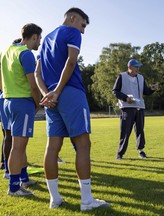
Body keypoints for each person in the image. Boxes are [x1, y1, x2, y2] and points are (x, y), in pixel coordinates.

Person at [35, 7, 110, 210]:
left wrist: (46, 94)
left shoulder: (47, 38)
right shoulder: (71, 32)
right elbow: (71, 61)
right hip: (69, 93)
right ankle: (86, 201)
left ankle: (55, 199)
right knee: (83, 145)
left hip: (50, 98)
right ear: (73, 17)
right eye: (83, 25)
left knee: (52, 148)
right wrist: (58, 91)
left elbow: (37, 73)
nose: (83, 31)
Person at [0, 24, 42, 196]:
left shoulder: (6, 51)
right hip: (22, 102)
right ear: (33, 37)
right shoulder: (26, 54)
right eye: (39, 38)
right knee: (18, 146)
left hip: (7, 101)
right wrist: (38, 103)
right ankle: (14, 187)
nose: (40, 42)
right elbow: (33, 85)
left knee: (20, 144)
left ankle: (24, 178)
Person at [112, 59, 158, 160]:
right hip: (127, 108)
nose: (138, 68)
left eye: (138, 67)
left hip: (140, 107)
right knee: (125, 131)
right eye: (136, 67)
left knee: (140, 130)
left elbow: (145, 91)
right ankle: (120, 154)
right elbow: (115, 91)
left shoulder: (141, 78)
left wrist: (152, 89)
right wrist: (125, 98)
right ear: (130, 67)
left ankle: (141, 151)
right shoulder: (121, 76)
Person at [1, 38, 23, 179]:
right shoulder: (15, 56)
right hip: (10, 98)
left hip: (6, 98)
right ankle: (9, 169)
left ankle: (7, 167)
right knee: (13, 137)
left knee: (8, 136)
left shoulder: (5, 56)